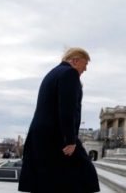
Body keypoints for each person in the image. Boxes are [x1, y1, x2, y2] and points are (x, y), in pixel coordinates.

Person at [19, 47, 100, 193]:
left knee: (48, 180)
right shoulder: (69, 73)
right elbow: (67, 109)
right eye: (85, 64)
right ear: (75, 61)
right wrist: (70, 140)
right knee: (86, 175)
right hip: (57, 135)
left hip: (42, 134)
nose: (85, 69)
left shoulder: (53, 72)